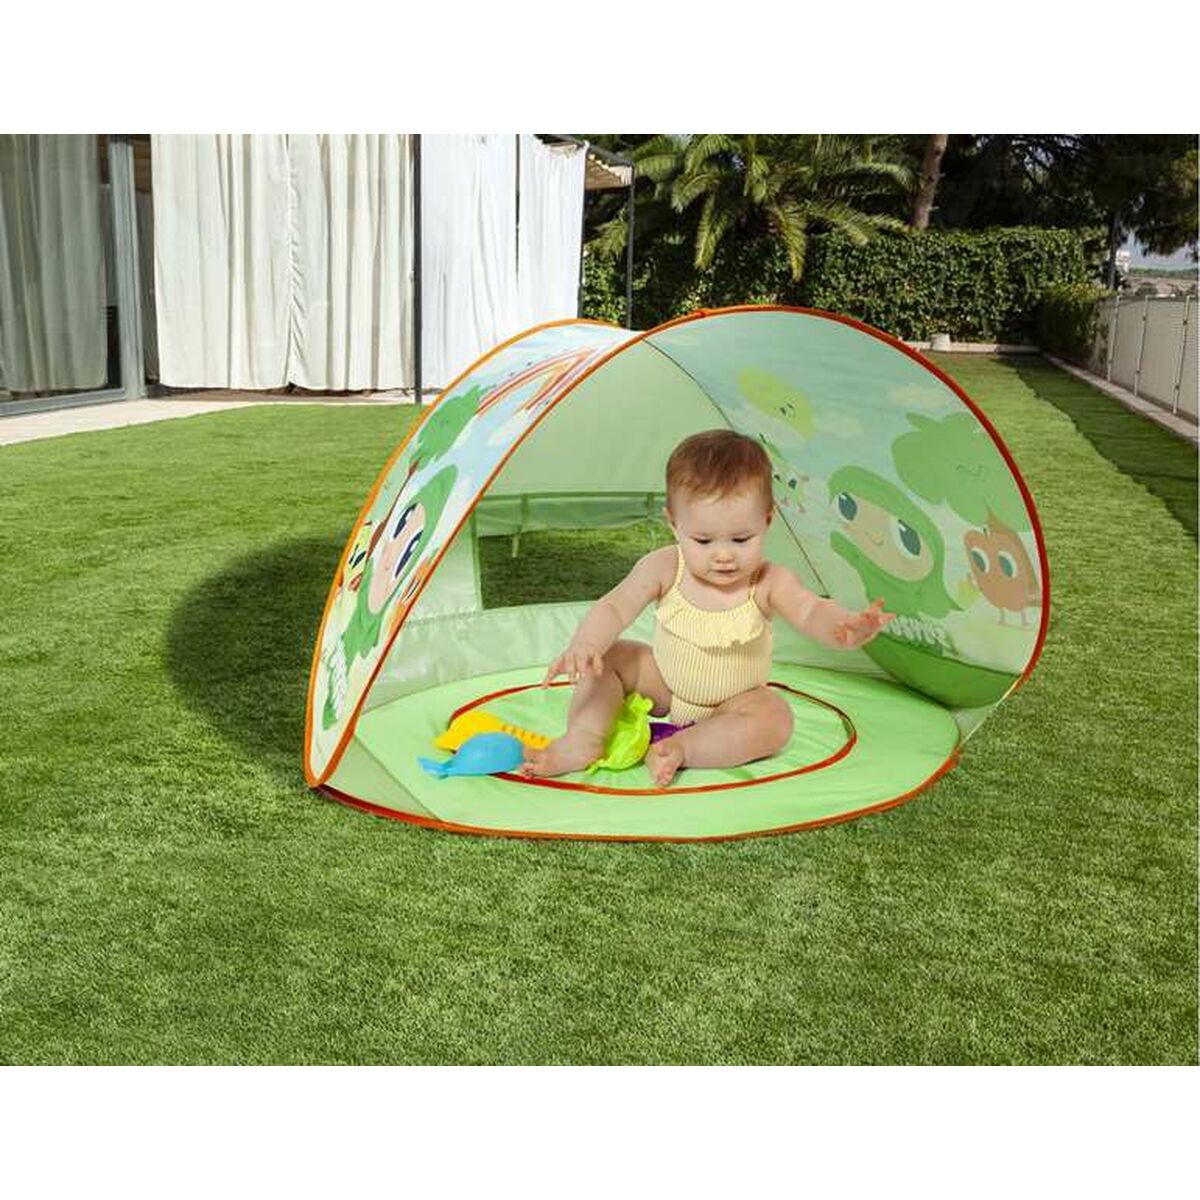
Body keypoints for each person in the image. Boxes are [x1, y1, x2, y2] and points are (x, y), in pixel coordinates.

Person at [522, 430, 896, 788]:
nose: (723, 555)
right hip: (666, 685)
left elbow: (810, 610)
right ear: (674, 524)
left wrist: (842, 626)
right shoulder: (665, 566)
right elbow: (615, 607)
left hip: (736, 701)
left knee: (775, 717)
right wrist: (586, 644)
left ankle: (681, 748)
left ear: (767, 521)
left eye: (741, 539)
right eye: (703, 540)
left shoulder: (769, 581)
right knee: (611, 656)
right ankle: (584, 738)